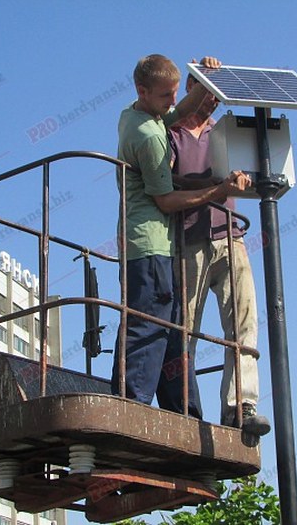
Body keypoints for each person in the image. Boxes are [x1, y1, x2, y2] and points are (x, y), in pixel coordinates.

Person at [111, 54, 251, 420]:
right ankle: (130, 409)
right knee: (148, 327)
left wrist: (204, 82)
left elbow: (178, 111)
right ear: (142, 91)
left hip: (161, 246)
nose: (173, 102)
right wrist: (219, 191)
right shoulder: (149, 136)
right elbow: (167, 200)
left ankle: (184, 412)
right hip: (150, 244)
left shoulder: (135, 114)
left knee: (174, 333)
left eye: (175, 93)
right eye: (166, 95)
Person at [167, 73, 270, 436]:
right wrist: (216, 185)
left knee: (244, 323)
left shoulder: (224, 134)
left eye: (217, 95)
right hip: (188, 240)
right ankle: (183, 406)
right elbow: (167, 182)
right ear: (189, 90)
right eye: (206, 91)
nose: (212, 100)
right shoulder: (171, 134)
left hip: (230, 235)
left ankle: (241, 405)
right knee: (185, 328)